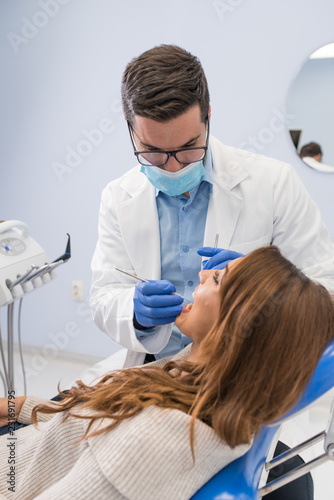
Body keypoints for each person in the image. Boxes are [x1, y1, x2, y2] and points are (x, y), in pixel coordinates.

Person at [1, 246, 333, 499]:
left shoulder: (155, 442)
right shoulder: (200, 372)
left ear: (237, 324)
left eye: (217, 278)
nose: (202, 275)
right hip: (34, 443)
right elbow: (81, 425)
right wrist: (20, 406)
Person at [90, 44, 334, 369]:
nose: (173, 167)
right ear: (129, 126)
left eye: (189, 148)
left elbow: (326, 291)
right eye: (153, 151)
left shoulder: (274, 184)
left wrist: (266, 290)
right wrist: (134, 312)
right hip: (157, 373)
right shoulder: (118, 197)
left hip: (242, 376)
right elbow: (105, 294)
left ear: (208, 114)